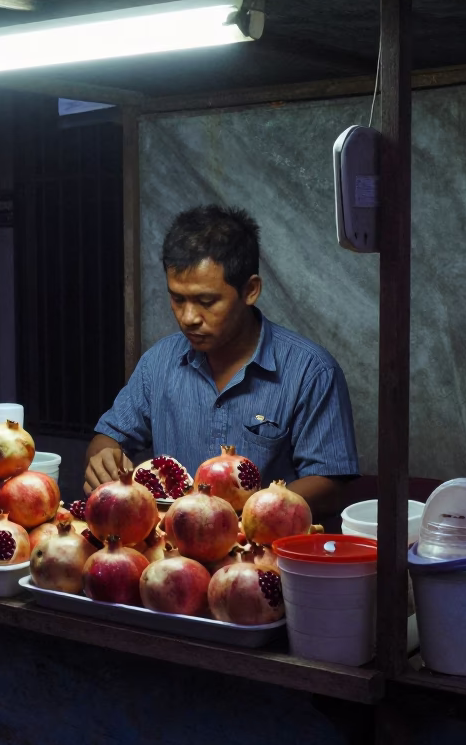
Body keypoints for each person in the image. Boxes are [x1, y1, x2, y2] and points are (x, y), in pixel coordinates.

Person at [84, 205, 360, 517]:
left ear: (250, 290)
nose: (188, 318)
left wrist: (244, 514)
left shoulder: (311, 371)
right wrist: (104, 458)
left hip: (265, 550)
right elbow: (108, 438)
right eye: (177, 299)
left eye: (206, 301)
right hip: (173, 550)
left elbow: (331, 482)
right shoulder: (158, 362)